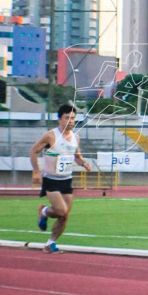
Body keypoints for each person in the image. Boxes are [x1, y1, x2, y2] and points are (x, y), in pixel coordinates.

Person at [30, 103, 94, 253]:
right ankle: (44, 211)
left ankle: (50, 244)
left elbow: (77, 157)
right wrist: (36, 171)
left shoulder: (75, 137)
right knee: (60, 210)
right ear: (59, 119)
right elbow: (33, 151)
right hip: (51, 179)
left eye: (73, 118)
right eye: (67, 118)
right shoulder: (51, 136)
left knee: (65, 216)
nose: (71, 121)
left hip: (66, 180)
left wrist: (84, 163)